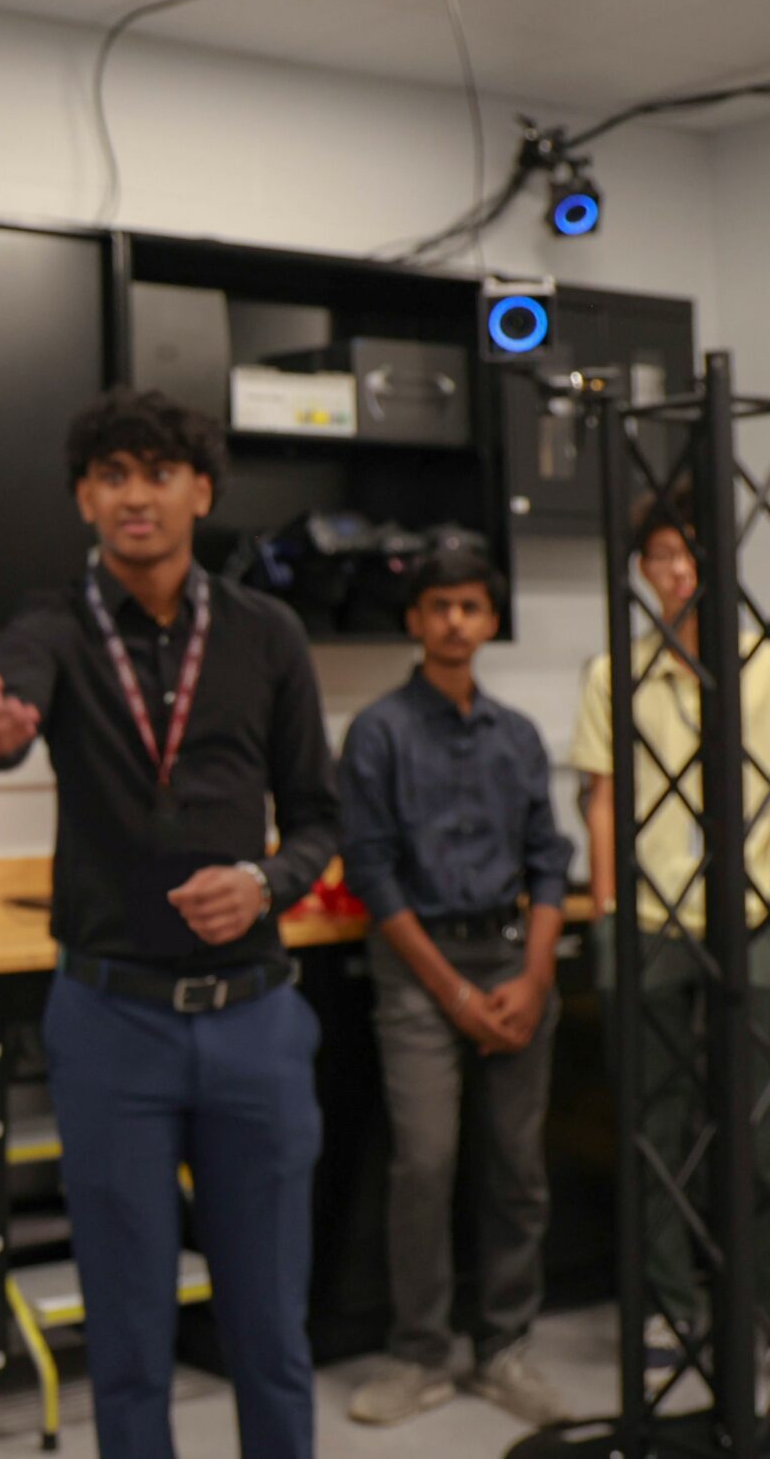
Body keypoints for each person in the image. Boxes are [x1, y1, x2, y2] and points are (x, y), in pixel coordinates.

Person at [0, 387, 339, 1459]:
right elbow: (6, 714)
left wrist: (265, 881)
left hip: (254, 1023)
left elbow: (318, 817)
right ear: (84, 496)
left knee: (268, 1328)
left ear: (199, 492)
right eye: (113, 474)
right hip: (109, 1022)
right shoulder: (51, 625)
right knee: (126, 1344)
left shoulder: (267, 635)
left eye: (159, 472)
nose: (136, 495)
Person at [337, 549, 572, 1430]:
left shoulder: (516, 735)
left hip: (514, 962)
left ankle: (505, 1348)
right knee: (425, 1163)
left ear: (488, 621)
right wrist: (454, 995)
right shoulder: (379, 732)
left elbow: (550, 862)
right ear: (415, 620)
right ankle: (421, 1354)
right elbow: (372, 874)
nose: (454, 623)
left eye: (470, 607)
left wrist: (534, 975)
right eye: (438, 607)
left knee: (518, 1169)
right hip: (418, 967)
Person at [571, 484, 770, 1397]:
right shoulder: (620, 669)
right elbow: (601, 796)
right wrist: (609, 909)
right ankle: (668, 1303)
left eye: (690, 553)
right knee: (651, 1128)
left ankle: (757, 1299)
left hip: (756, 916)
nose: (676, 571)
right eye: (659, 556)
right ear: (641, 569)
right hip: (650, 917)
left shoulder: (764, 659)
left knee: (758, 1125)